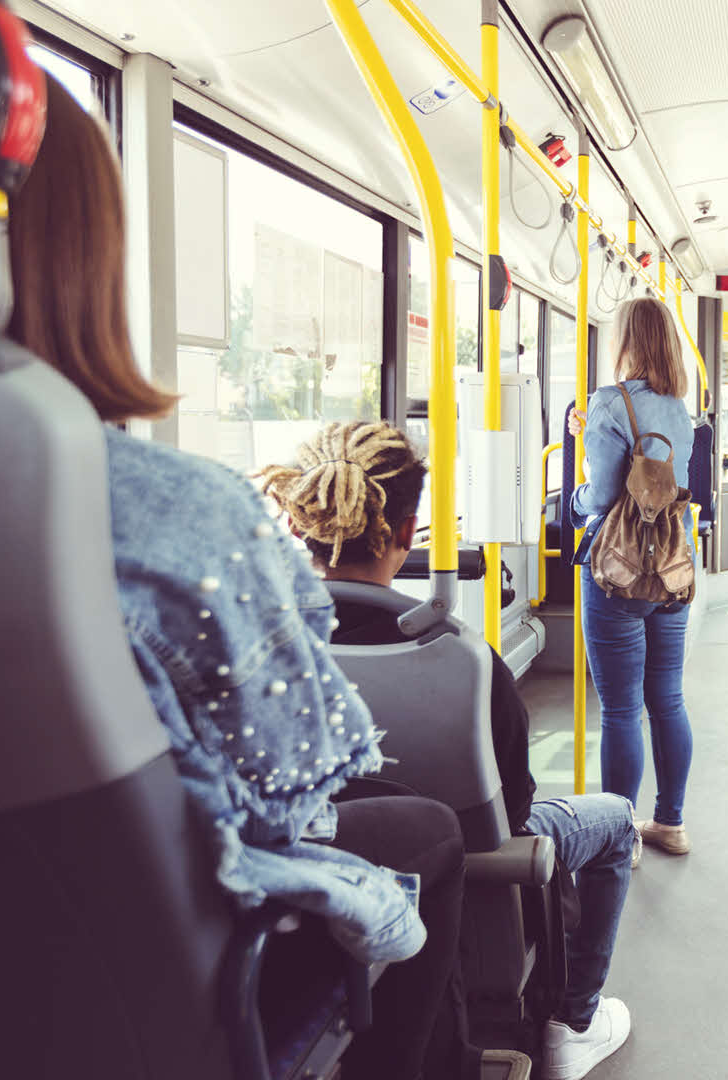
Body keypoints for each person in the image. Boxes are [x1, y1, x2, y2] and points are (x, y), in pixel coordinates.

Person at [0, 29, 477, 1078]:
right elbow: (290, 804)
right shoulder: (180, 523)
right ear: (71, 257)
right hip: (118, 1010)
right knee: (413, 833)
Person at [260, 420, 637, 1080]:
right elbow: (512, 810)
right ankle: (573, 1022)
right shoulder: (463, 660)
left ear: (300, 526)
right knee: (614, 821)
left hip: (302, 874)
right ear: (408, 536)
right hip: (464, 865)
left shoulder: (252, 648)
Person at [566, 296, 698, 855]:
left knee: (621, 708)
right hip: (673, 566)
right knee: (667, 699)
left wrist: (573, 498)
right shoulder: (680, 409)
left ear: (625, 343)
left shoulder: (608, 402)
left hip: (619, 570)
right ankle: (670, 823)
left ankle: (621, 836)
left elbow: (599, 495)